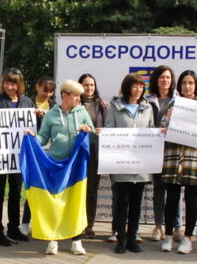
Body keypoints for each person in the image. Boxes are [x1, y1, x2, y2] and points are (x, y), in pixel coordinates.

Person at [31, 79, 95, 254]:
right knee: (55, 202)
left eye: (79, 96)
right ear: (64, 95)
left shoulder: (82, 112)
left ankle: (77, 241)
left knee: (76, 202)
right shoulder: (51, 114)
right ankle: (53, 240)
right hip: (56, 165)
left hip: (76, 166)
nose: (78, 99)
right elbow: (43, 137)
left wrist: (88, 128)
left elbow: (93, 131)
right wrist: (31, 138)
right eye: (75, 96)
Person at [0, 68, 37, 246]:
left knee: (15, 193)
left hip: (19, 156)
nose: (9, 86)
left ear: (19, 85)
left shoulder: (27, 102)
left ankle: (13, 228)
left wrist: (38, 117)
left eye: (13, 83)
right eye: (7, 83)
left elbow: (34, 129)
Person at [159, 70, 197, 254]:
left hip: (194, 159)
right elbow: (162, 129)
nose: (187, 86)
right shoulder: (174, 104)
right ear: (179, 85)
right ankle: (168, 236)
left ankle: (188, 238)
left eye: (190, 83)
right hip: (174, 156)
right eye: (184, 83)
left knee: (191, 198)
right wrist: (168, 118)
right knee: (171, 198)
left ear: (196, 85)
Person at [104, 73, 155, 254]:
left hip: (140, 164)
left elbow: (150, 131)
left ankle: (133, 238)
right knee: (121, 202)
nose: (138, 89)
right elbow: (109, 127)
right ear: (127, 87)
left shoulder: (147, 107)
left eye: (141, 86)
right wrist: (105, 133)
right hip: (121, 163)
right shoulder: (115, 106)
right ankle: (121, 238)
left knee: (136, 203)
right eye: (135, 86)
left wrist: (158, 133)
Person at [144, 65, 178, 243]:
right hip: (154, 150)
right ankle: (158, 226)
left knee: (174, 190)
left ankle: (176, 226)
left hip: (174, 150)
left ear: (172, 80)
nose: (165, 80)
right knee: (159, 189)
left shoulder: (179, 100)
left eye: (168, 77)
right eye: (162, 77)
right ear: (156, 80)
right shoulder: (147, 100)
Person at [20, 76, 56, 237]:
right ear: (37, 87)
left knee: (48, 189)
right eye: (45, 90)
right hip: (33, 153)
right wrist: (34, 116)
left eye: (51, 91)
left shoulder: (55, 106)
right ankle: (25, 222)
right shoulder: (27, 103)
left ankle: (45, 223)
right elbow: (19, 122)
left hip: (50, 154)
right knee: (34, 187)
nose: (48, 94)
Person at [78, 73, 109, 239]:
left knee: (91, 190)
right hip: (78, 152)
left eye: (92, 85)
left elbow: (108, 127)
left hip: (95, 152)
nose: (89, 88)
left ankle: (89, 225)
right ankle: (76, 224)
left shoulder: (102, 105)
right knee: (77, 189)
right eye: (85, 85)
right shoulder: (74, 104)